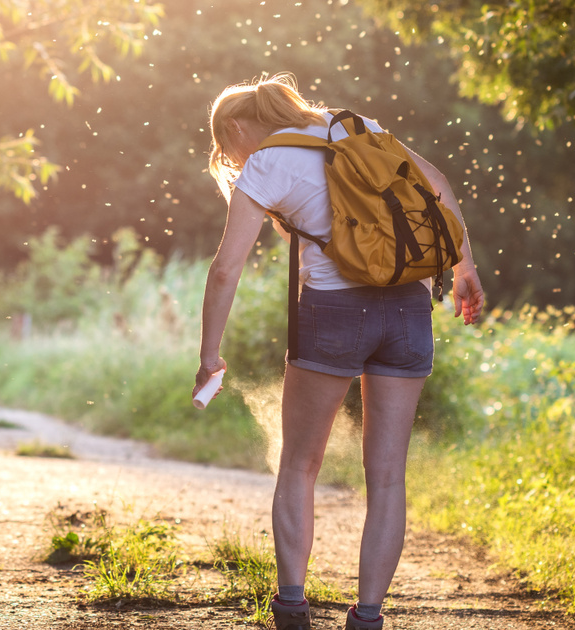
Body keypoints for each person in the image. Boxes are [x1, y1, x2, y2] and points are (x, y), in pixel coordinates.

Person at [193, 73, 485, 630]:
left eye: (223, 148)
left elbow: (226, 267)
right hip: (407, 310)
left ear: (236, 128)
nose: (227, 158)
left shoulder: (267, 162)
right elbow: (439, 184)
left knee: (300, 465)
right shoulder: (358, 126)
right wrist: (464, 267)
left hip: (333, 313)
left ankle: (293, 608)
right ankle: (368, 616)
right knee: (388, 476)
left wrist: (210, 355)